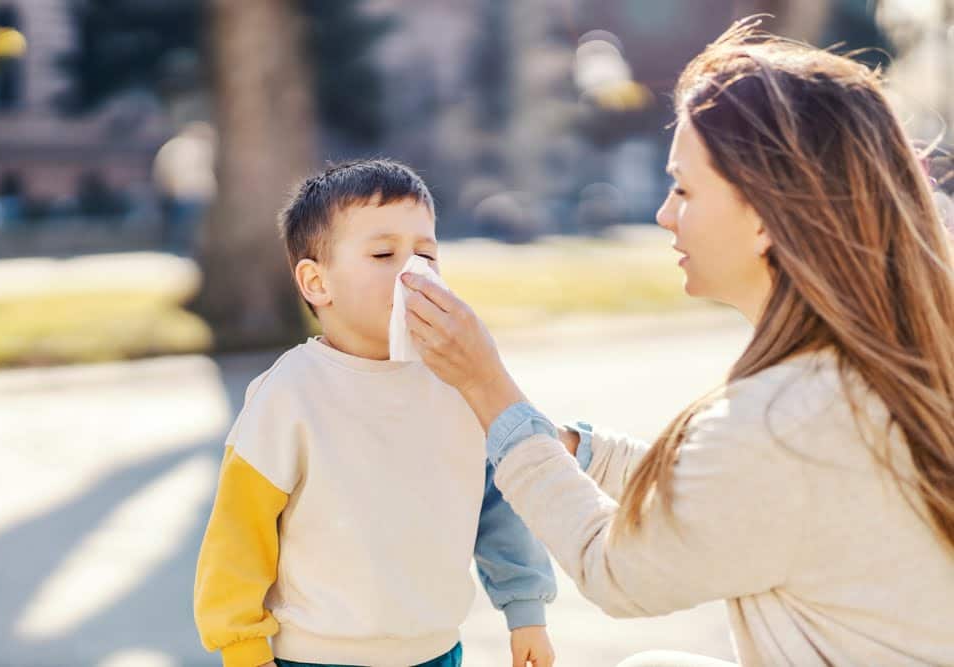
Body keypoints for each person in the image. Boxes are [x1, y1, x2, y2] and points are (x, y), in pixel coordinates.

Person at [399, 19, 954, 667]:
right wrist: (569, 446)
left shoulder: (781, 420)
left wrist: (486, 388)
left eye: (685, 189)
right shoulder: (880, 364)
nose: (665, 213)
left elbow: (615, 569)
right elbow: (723, 495)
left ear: (766, 213)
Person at [193, 159, 557, 667]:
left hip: (434, 649)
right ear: (317, 283)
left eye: (426, 253)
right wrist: (242, 648)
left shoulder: (458, 377)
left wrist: (525, 609)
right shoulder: (290, 394)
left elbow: (497, 503)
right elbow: (238, 535)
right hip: (318, 656)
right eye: (384, 253)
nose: (414, 271)